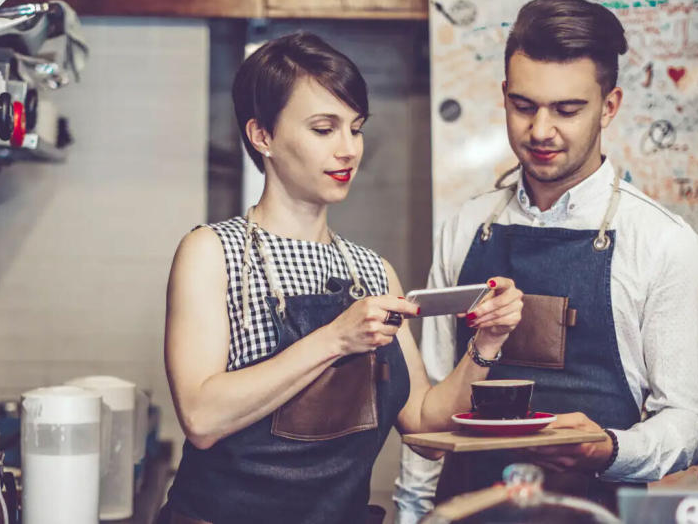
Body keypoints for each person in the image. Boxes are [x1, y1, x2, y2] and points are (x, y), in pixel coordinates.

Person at [159, 32, 524, 524]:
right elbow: (202, 418)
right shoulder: (213, 252)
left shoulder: (373, 271)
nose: (348, 149)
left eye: (355, 128)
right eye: (323, 128)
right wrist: (335, 338)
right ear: (262, 135)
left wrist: (488, 343)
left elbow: (423, 425)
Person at [394, 0, 698, 522]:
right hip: (462, 511)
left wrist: (610, 448)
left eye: (567, 110)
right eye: (524, 106)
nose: (541, 130)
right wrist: (413, 514)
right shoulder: (466, 227)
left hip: (593, 510)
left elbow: (688, 424)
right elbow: (429, 407)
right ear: (503, 96)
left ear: (609, 106)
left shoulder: (661, 243)